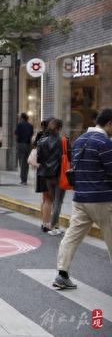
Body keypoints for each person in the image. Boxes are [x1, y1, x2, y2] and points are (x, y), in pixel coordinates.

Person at [53, 108, 112, 290]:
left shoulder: (79, 141)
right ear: (109, 123)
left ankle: (62, 274)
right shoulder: (104, 142)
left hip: (80, 199)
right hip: (102, 199)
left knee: (71, 236)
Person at [37, 118, 70, 236]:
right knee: (58, 202)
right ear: (59, 128)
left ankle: (50, 225)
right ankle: (52, 226)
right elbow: (69, 156)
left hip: (47, 176)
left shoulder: (41, 141)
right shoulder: (64, 140)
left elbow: (39, 159)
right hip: (60, 175)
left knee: (50, 200)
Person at [33, 119, 51, 232]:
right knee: (49, 199)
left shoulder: (40, 136)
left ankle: (44, 221)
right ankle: (46, 223)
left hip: (41, 170)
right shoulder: (50, 139)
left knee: (45, 199)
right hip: (49, 171)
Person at [15, 113, 34, 185]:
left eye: (20, 117)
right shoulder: (30, 126)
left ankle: (23, 179)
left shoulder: (19, 125)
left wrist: (17, 143)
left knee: (21, 162)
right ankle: (25, 179)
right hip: (28, 145)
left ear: (22, 118)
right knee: (26, 162)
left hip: (21, 144)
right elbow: (31, 135)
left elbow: (16, 135)